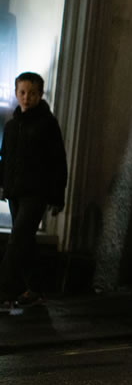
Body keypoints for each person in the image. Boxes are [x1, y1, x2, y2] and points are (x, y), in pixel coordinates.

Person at [0, 72, 68, 309]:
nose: (26, 98)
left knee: (17, 240)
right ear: (16, 93)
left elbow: (58, 161)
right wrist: (3, 184)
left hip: (36, 192)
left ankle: (4, 291)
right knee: (25, 241)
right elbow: (5, 158)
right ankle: (35, 288)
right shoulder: (11, 126)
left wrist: (57, 196)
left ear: (40, 95)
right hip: (15, 191)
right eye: (22, 92)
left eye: (31, 93)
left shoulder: (47, 125)